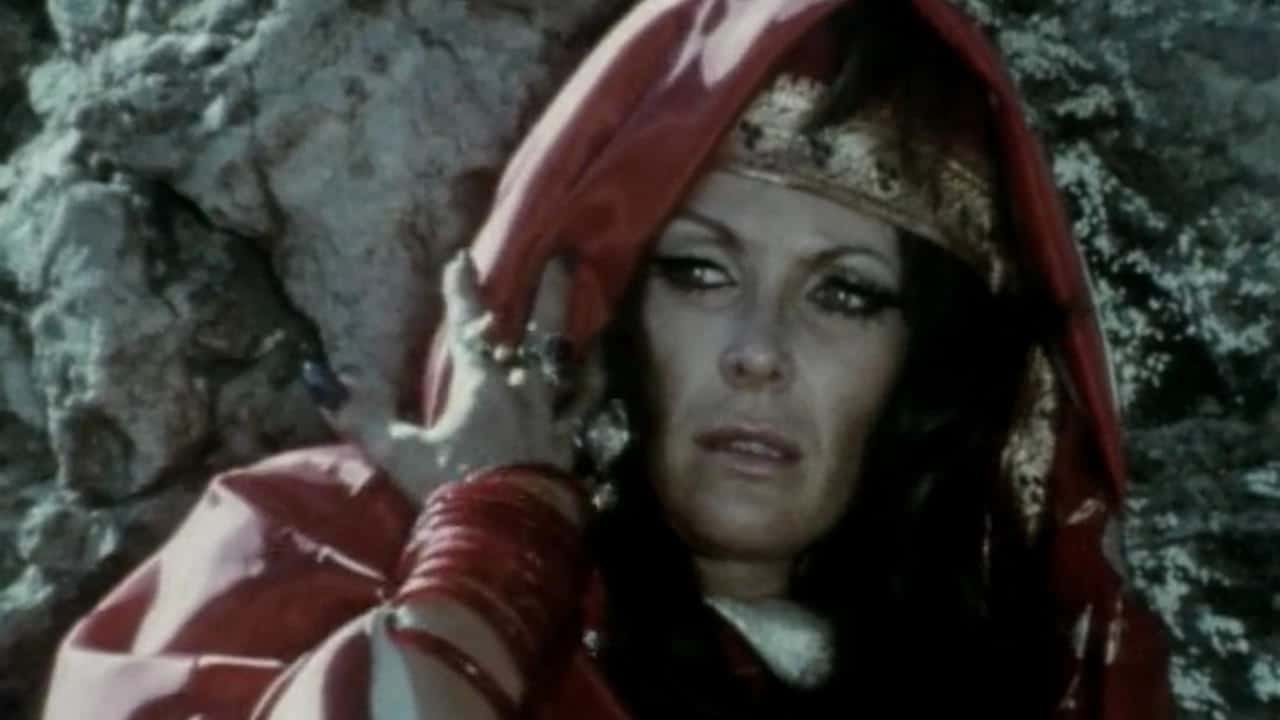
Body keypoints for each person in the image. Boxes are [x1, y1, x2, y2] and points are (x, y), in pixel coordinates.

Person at [41, 1, 1173, 718]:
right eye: (699, 272)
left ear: (922, 368)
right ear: (610, 309)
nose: (757, 354)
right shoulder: (313, 550)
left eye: (845, 294)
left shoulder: (1058, 678)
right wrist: (492, 548)